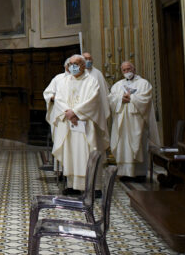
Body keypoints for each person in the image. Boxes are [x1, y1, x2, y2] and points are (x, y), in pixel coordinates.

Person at [49, 54, 110, 194]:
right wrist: (68, 113)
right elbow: (59, 99)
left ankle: (94, 187)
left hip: (86, 125)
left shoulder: (92, 81)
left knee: (88, 153)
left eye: (76, 64)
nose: (73, 67)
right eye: (70, 64)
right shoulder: (65, 82)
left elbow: (93, 100)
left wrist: (76, 112)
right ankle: (72, 185)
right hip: (70, 125)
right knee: (71, 153)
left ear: (83, 65)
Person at [108, 61, 159, 181]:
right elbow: (111, 99)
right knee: (123, 146)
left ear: (134, 69)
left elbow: (146, 98)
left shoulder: (143, 84)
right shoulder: (117, 85)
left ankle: (140, 173)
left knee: (138, 145)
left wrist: (131, 97)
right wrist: (121, 98)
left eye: (129, 69)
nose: (127, 72)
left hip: (137, 121)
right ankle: (124, 173)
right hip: (121, 122)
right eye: (124, 70)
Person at [82, 51, 112, 153]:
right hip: (83, 113)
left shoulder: (97, 73)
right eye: (86, 59)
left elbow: (104, 93)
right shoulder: (78, 74)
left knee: (97, 137)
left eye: (90, 58)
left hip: (97, 111)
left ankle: (99, 161)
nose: (88, 61)